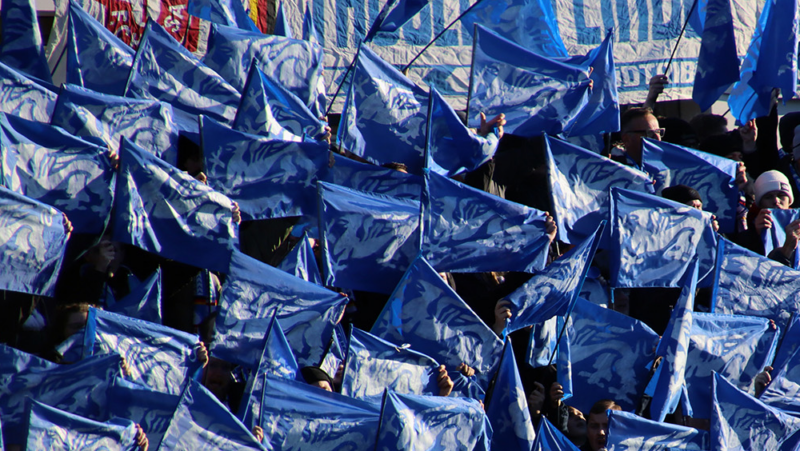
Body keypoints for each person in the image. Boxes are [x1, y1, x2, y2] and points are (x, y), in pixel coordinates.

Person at [751, 170, 800, 266]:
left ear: (789, 201)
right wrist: (756, 236)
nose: (776, 201)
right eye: (768, 197)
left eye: (781, 195)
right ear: (760, 204)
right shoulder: (746, 235)